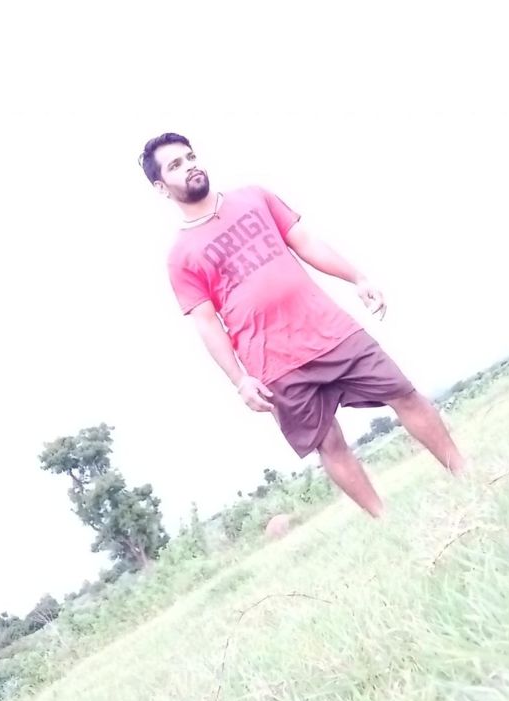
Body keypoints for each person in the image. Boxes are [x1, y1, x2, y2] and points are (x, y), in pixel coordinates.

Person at [139, 132, 466, 517]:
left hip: (331, 330)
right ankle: (384, 519)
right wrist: (240, 380)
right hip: (274, 364)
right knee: (329, 443)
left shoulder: (254, 197)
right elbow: (207, 324)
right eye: (176, 165)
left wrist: (357, 278)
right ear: (161, 187)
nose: (190, 166)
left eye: (191, 157)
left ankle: (465, 474)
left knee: (404, 393)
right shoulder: (180, 255)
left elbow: (307, 243)